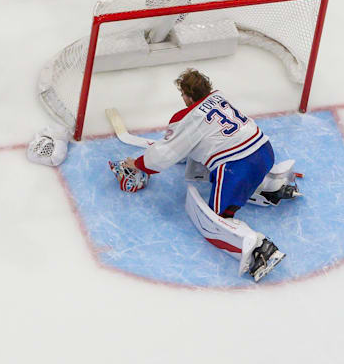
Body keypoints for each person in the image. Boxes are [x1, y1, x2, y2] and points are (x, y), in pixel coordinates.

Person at [111, 69, 299, 282]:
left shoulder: (186, 118)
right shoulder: (219, 99)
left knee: (216, 219)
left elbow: (166, 153)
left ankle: (259, 248)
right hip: (265, 151)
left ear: (188, 96)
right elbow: (204, 140)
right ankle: (273, 185)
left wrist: (138, 164)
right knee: (236, 166)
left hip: (237, 168)